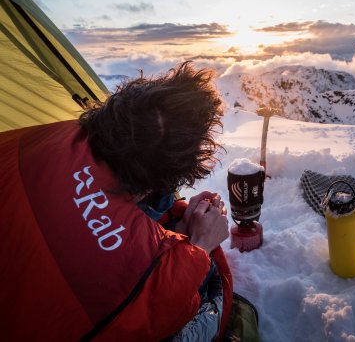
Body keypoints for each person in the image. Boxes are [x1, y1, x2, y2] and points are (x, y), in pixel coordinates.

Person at [0, 62, 233, 341]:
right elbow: (155, 321)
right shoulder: (134, 264)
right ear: (148, 186)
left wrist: (177, 231)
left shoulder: (48, 134)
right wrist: (199, 246)